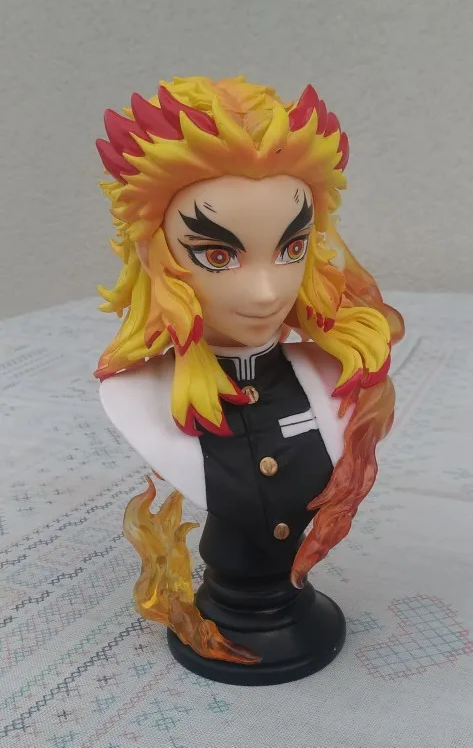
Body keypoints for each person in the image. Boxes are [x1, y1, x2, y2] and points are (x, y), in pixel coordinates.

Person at [95, 76, 404, 685]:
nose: (265, 292)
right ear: (156, 254)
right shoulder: (132, 396)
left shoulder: (338, 380)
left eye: (291, 248)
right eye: (217, 255)